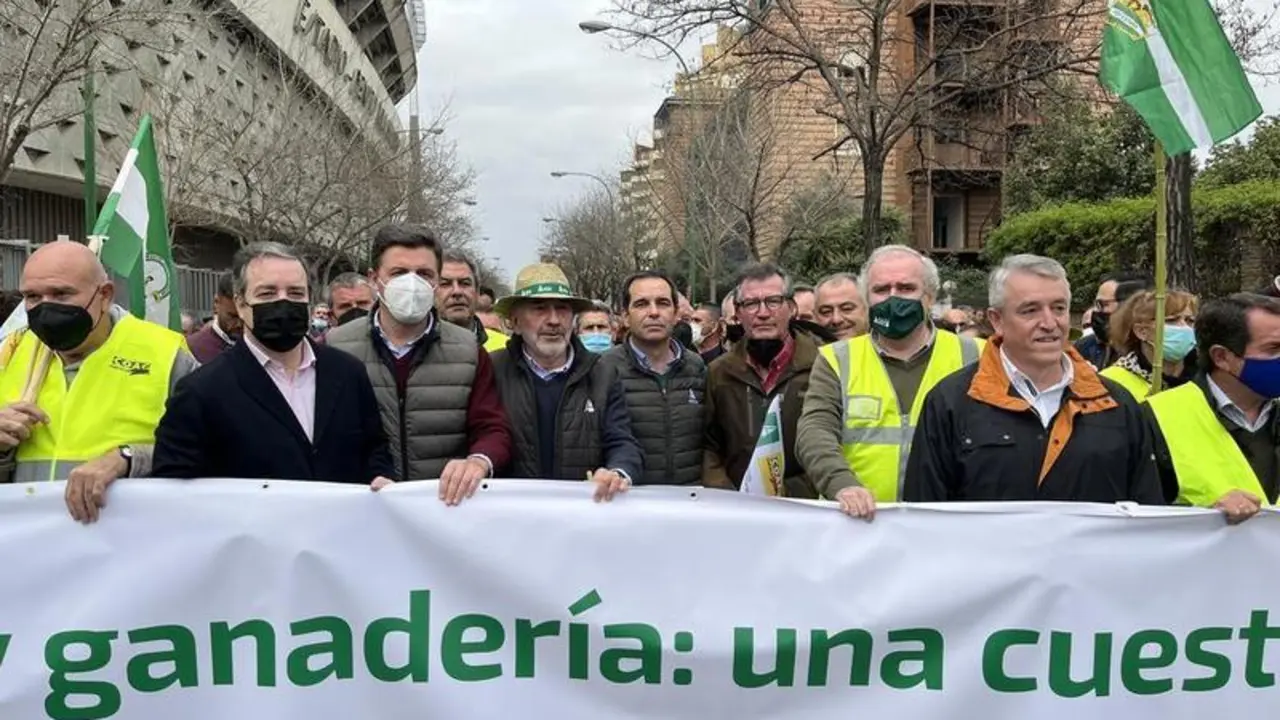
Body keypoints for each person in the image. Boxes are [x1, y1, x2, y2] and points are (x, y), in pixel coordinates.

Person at [903, 255, 1162, 504]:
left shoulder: (1115, 404)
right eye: (1030, 310)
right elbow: (926, 516)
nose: (1049, 323)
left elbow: (1146, 515)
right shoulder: (951, 403)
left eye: (1058, 308)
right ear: (997, 320)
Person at [153, 242, 394, 485]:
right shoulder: (201, 391)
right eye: (267, 293)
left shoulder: (347, 373)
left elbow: (374, 448)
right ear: (240, 303)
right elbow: (175, 487)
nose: (283, 303)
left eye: (295, 293)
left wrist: (380, 478)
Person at [0, 240, 196, 523]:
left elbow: (210, 449)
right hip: (33, 546)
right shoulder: (11, 353)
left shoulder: (166, 354)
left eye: (61, 294)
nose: (46, 308)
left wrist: (128, 459)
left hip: (129, 547)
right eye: (32, 297)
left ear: (104, 295)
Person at [326, 226, 510, 502]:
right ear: (375, 279)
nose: (412, 284)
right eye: (399, 273)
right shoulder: (335, 347)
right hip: (364, 508)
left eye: (424, 274)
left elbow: (492, 427)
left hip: (443, 508)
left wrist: (479, 461)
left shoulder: (468, 351)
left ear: (436, 282)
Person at [797, 246, 982, 518]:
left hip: (947, 524)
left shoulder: (976, 355)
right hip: (860, 524)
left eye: (906, 288)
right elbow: (814, 431)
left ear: (929, 297)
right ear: (866, 298)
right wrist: (842, 484)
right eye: (881, 290)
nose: (893, 299)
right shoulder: (837, 359)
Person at [490, 263, 642, 501]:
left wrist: (617, 472)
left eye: (562, 309)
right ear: (515, 321)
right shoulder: (492, 370)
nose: (553, 320)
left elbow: (622, 441)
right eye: (539, 309)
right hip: (511, 516)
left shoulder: (603, 374)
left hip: (581, 518)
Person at [1144, 294, 1280, 523]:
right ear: (1222, 357)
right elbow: (1139, 522)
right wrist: (1207, 518)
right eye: (1273, 348)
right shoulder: (1153, 419)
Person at [703, 262, 818, 497]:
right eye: (751, 303)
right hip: (737, 510)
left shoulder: (821, 366)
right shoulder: (718, 372)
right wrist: (728, 494)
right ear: (738, 312)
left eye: (773, 301)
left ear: (791, 307)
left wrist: (790, 493)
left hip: (806, 510)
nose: (763, 313)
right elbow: (709, 445)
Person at [600, 271, 705, 486]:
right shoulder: (604, 369)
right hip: (630, 504)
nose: (654, 312)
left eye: (663, 303)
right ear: (625, 317)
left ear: (676, 314)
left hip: (691, 505)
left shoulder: (698, 368)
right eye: (641, 304)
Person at [1099, 289, 1199, 401]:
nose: (1184, 327)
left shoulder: (1208, 378)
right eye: (1171, 320)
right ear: (1141, 331)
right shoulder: (1111, 383)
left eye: (1190, 320)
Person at [436, 249, 509, 354]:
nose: (457, 291)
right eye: (445, 284)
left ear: (477, 291)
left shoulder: (504, 349)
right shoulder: (413, 348)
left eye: (465, 283)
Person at [1074, 271, 1151, 369]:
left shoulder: (1156, 354)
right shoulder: (1085, 347)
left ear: (1130, 305)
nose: (1096, 311)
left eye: (1103, 304)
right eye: (1096, 304)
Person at [186, 271, 240, 363]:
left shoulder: (261, 346)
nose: (239, 324)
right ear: (216, 303)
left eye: (244, 316)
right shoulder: (192, 348)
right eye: (233, 316)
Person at [814, 273, 867, 342]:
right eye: (826, 312)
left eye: (847, 309)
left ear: (867, 309)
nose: (836, 320)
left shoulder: (883, 349)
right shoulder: (807, 351)